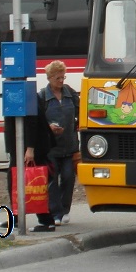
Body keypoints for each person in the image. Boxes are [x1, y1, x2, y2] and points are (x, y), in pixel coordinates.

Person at [37, 60, 81, 229]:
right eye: (58, 78)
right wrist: (49, 127)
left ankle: (65, 209)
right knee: (52, 180)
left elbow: (80, 111)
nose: (61, 81)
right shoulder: (42, 97)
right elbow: (38, 120)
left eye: (63, 77)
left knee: (69, 178)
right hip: (51, 147)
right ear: (49, 78)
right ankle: (55, 212)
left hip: (69, 145)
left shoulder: (70, 93)